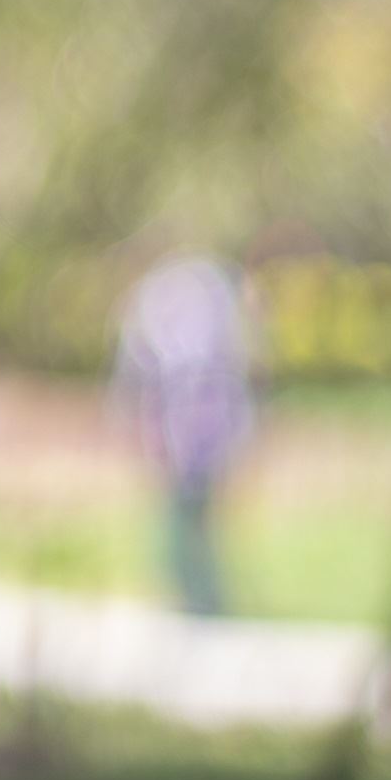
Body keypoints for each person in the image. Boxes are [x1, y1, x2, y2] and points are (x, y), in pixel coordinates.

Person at [109, 251, 255, 617]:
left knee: (189, 518)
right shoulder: (195, 304)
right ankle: (196, 595)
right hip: (190, 434)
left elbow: (137, 372)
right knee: (186, 518)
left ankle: (201, 597)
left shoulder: (171, 307)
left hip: (193, 436)